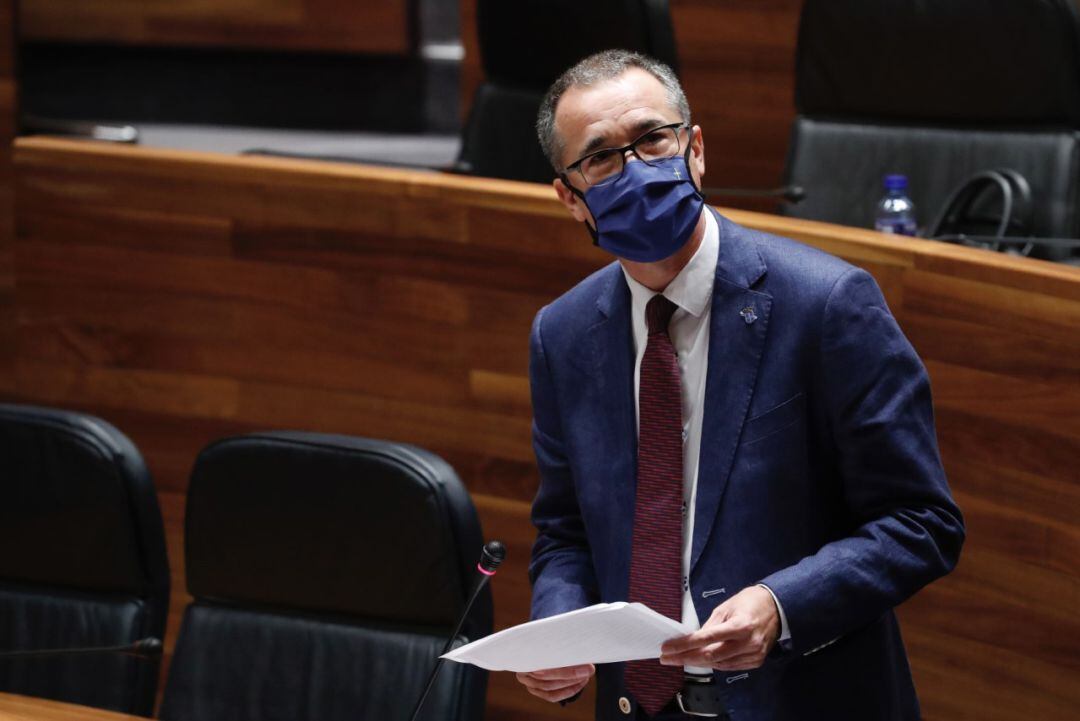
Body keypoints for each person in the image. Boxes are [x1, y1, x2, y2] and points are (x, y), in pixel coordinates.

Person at [516, 50, 964, 721]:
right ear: (569, 197)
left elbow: (922, 521)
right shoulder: (564, 334)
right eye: (601, 157)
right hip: (642, 704)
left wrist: (783, 606)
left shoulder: (827, 304)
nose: (635, 168)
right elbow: (565, 530)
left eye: (652, 139)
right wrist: (558, 626)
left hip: (805, 699)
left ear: (695, 149)